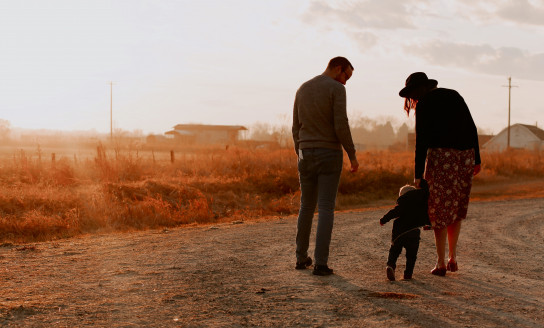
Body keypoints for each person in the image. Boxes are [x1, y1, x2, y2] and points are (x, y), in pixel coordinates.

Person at [399, 72, 481, 276]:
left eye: (412, 94)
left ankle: (441, 262)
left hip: (441, 158)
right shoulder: (455, 95)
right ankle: (453, 257)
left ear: (419, 90)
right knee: (456, 206)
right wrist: (477, 159)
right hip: (464, 157)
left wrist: (418, 174)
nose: (413, 99)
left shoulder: (424, 104)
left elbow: (421, 142)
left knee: (439, 210)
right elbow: (472, 128)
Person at [292, 56, 359, 276]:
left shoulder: (302, 88)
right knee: (326, 208)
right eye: (346, 76)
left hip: (305, 152)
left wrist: (300, 152)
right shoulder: (336, 90)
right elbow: (341, 124)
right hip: (329, 153)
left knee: (306, 206)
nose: (346, 82)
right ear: (338, 68)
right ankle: (320, 263)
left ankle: (301, 258)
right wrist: (352, 154)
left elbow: (295, 127)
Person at [380, 180, 431, 281]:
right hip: (414, 233)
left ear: (402, 195)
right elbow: (427, 216)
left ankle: (390, 265)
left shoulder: (403, 203)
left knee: (394, 251)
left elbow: (394, 212)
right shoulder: (420, 206)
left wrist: (383, 220)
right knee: (412, 256)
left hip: (399, 234)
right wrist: (429, 225)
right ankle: (408, 274)